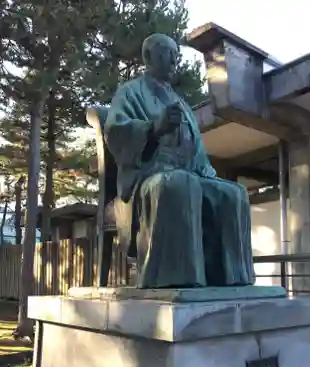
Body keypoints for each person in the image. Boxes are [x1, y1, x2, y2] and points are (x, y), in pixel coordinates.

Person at [104, 33, 255, 288]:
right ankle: (175, 278)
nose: (175, 59)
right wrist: (152, 128)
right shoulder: (129, 93)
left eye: (176, 54)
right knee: (178, 185)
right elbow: (115, 131)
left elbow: (196, 150)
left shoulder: (181, 103)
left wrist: (205, 170)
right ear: (148, 57)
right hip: (148, 174)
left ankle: (230, 278)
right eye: (167, 52)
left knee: (233, 194)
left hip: (188, 171)